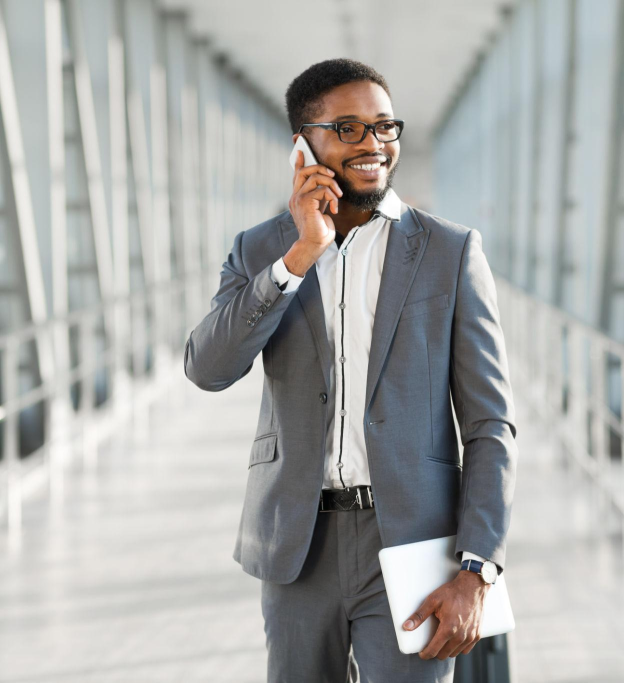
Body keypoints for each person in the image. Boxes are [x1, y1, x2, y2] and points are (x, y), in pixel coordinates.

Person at [183, 57, 519, 683]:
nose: (373, 144)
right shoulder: (261, 250)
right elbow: (207, 368)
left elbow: (490, 425)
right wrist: (298, 257)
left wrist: (478, 568)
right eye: (348, 128)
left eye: (384, 126)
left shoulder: (449, 252)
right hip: (297, 544)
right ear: (302, 144)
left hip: (418, 546)